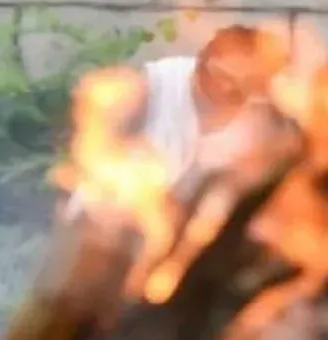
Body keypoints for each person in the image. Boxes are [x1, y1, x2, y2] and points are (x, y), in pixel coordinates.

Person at [51, 24, 295, 217]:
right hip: (114, 223)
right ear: (204, 60)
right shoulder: (157, 84)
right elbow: (99, 137)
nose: (225, 87)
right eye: (221, 75)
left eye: (240, 85)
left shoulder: (263, 120)